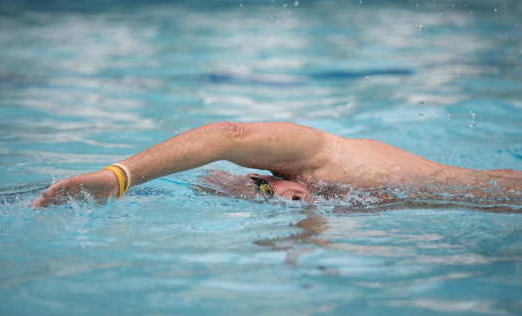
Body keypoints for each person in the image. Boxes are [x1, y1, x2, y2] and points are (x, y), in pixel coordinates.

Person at [31, 122, 522, 208]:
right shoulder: (312, 186)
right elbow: (217, 180)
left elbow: (228, 136)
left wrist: (118, 178)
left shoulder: (312, 148)